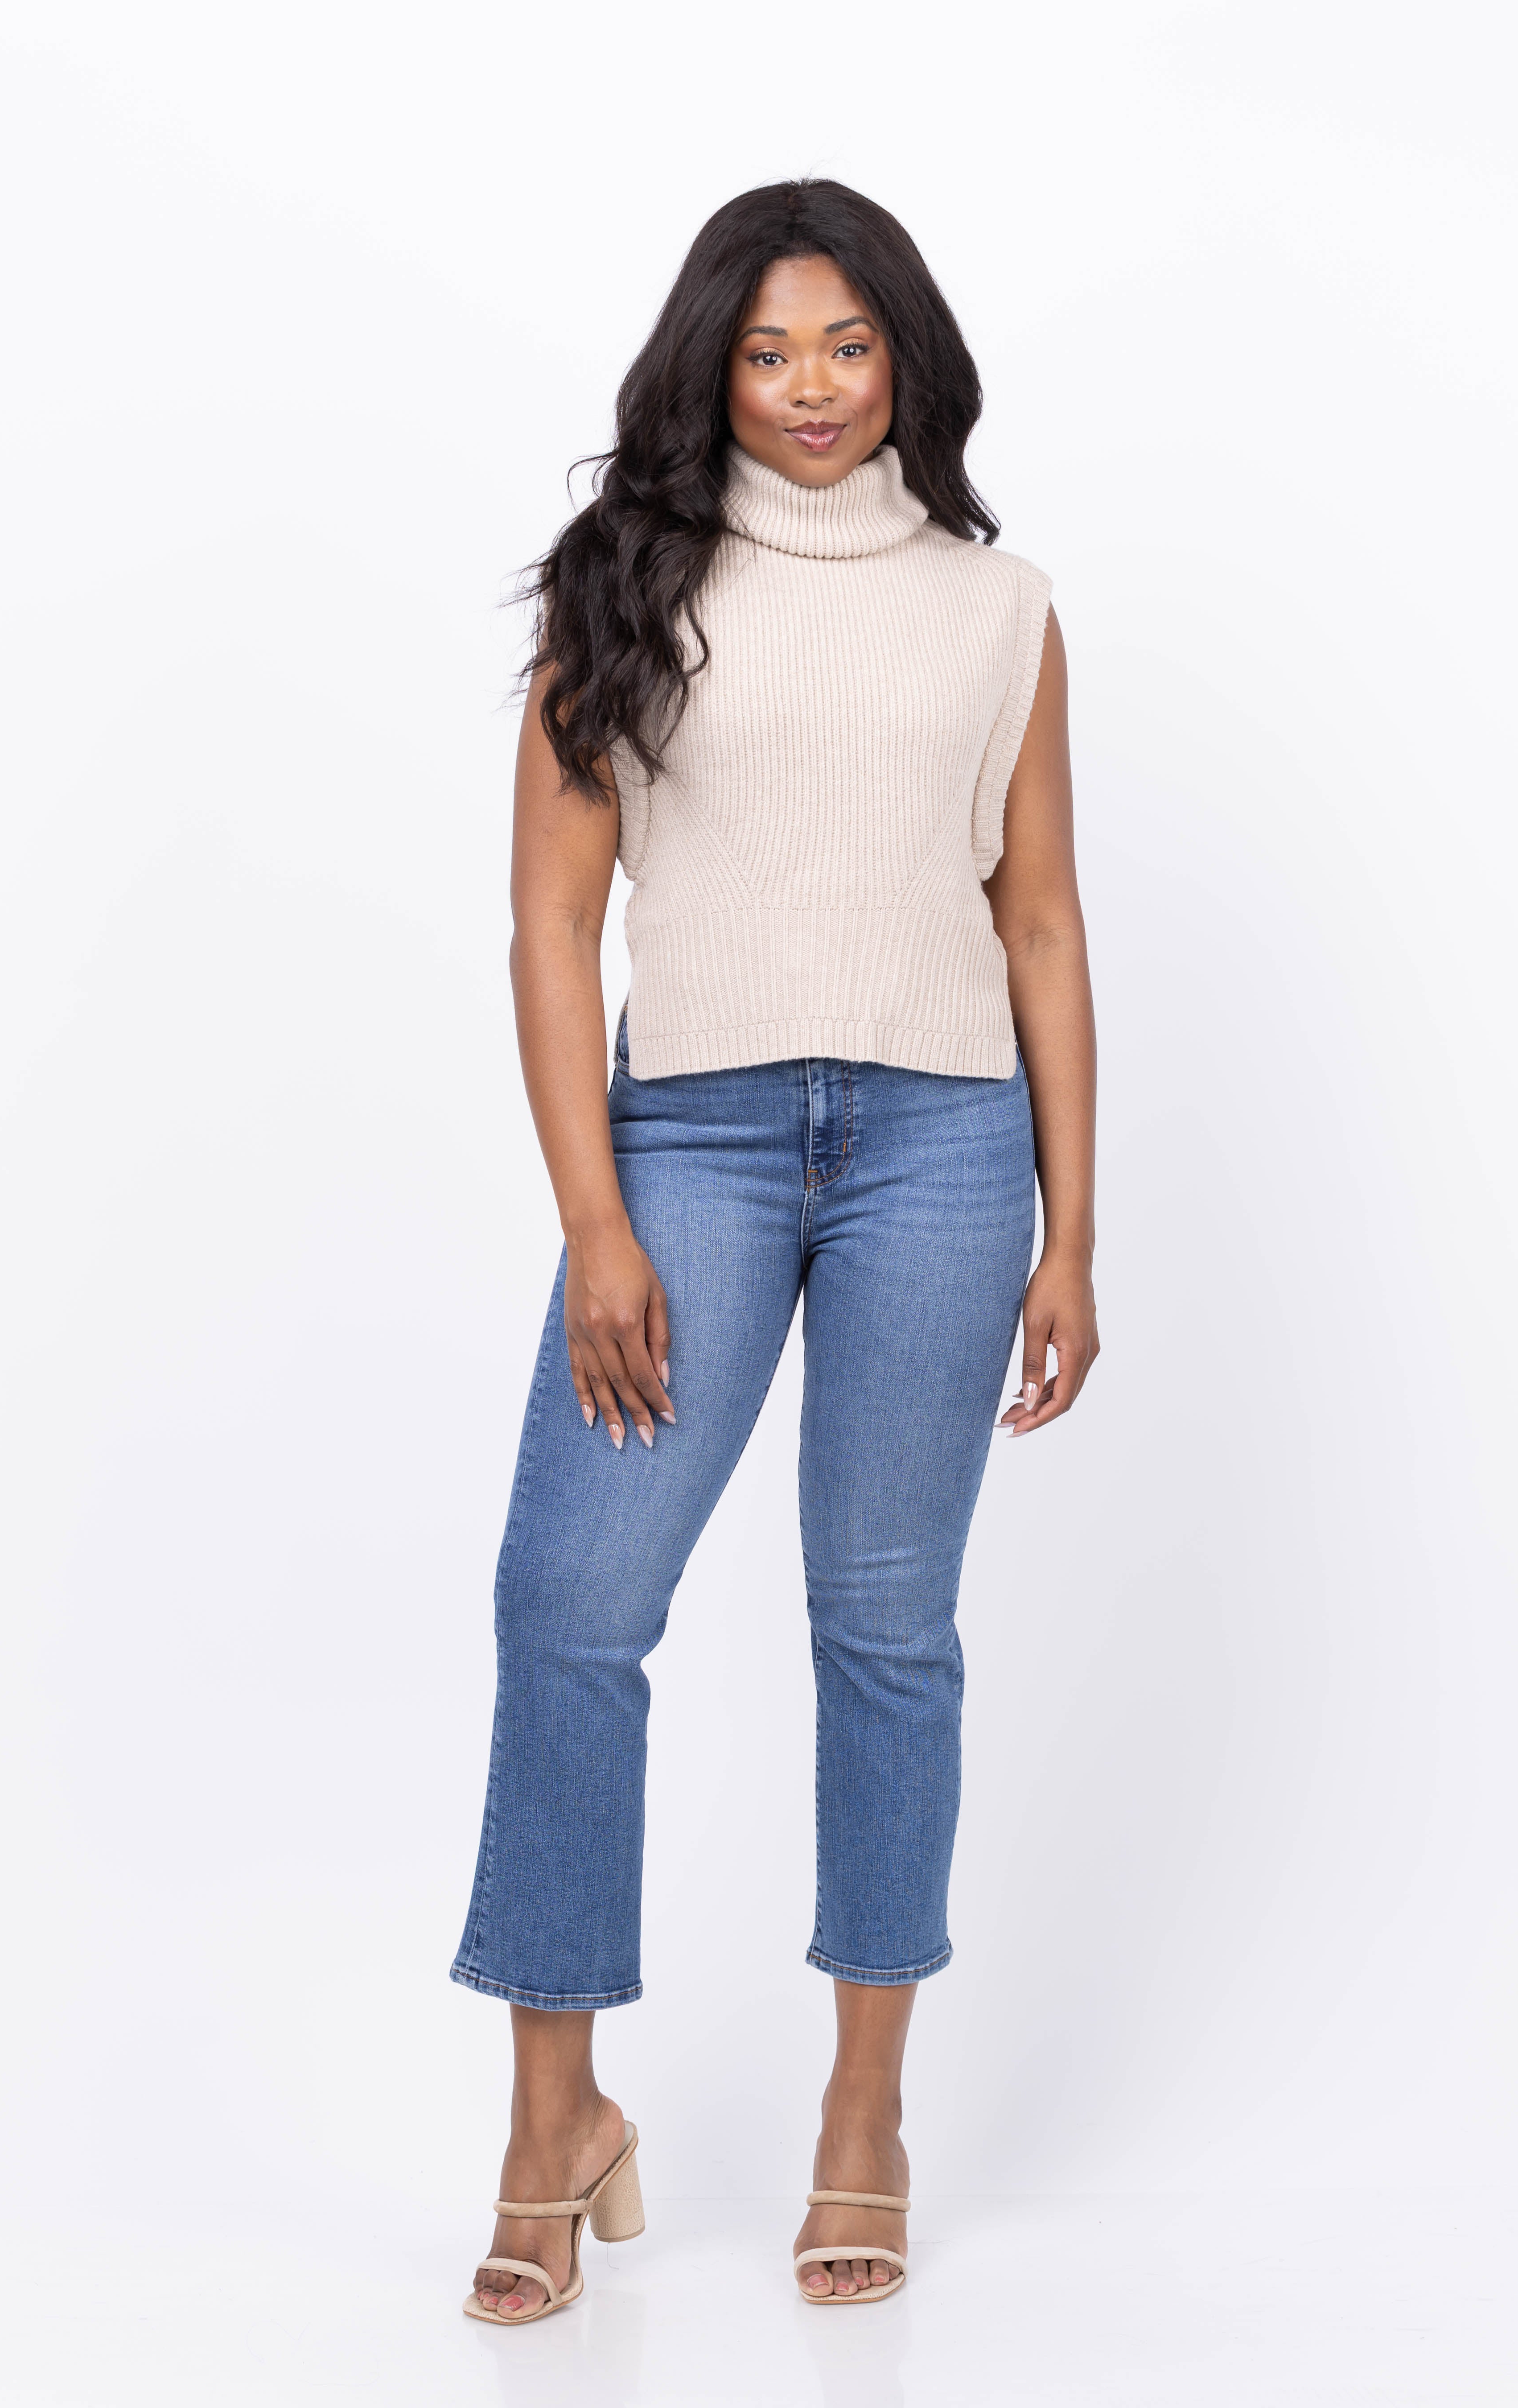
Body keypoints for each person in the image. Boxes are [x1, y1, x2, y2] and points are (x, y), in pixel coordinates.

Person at [455, 177, 1098, 2322]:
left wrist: (1075, 1229)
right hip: (695, 1143)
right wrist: (598, 1219)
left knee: (886, 1632)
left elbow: (1038, 922)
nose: (811, 387)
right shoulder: (627, 586)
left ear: (903, 356)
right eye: (766, 352)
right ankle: (557, 2118)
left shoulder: (1000, 610)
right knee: (570, 1604)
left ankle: (865, 2115)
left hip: (944, 1143)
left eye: (845, 345)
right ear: (710, 369)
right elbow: (552, 924)